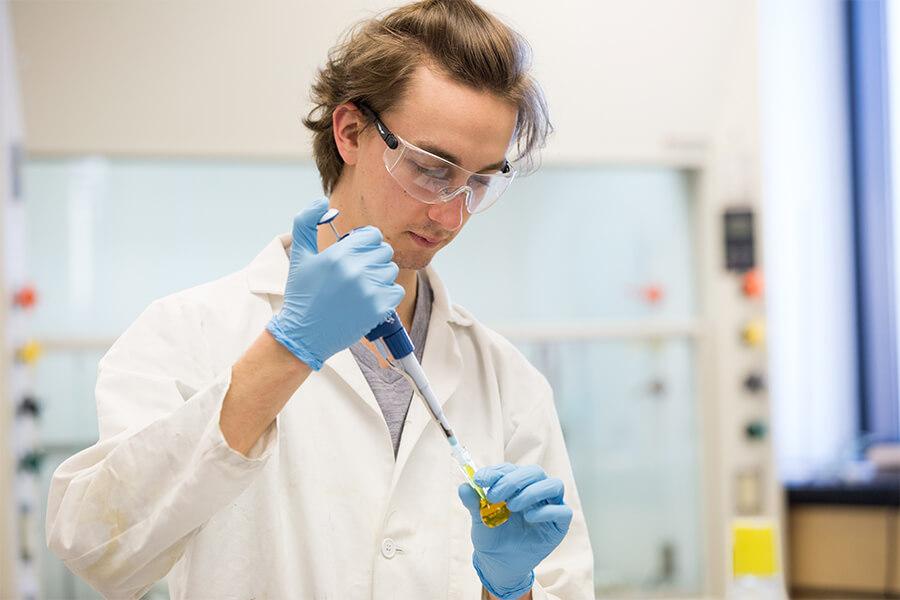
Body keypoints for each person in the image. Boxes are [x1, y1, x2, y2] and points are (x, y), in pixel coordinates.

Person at [46, 1, 595, 598]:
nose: (450, 213)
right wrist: (288, 350)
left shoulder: (508, 383)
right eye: (433, 168)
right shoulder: (189, 332)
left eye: (480, 181)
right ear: (351, 132)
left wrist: (509, 587)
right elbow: (95, 548)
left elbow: (564, 583)